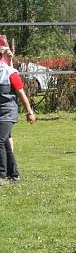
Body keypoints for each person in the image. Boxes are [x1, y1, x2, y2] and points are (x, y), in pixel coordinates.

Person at [0, 46, 35, 185]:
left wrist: (29, 112)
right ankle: (14, 175)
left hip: (8, 112)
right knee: (6, 143)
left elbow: (21, 94)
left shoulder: (10, 72)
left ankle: (2, 176)